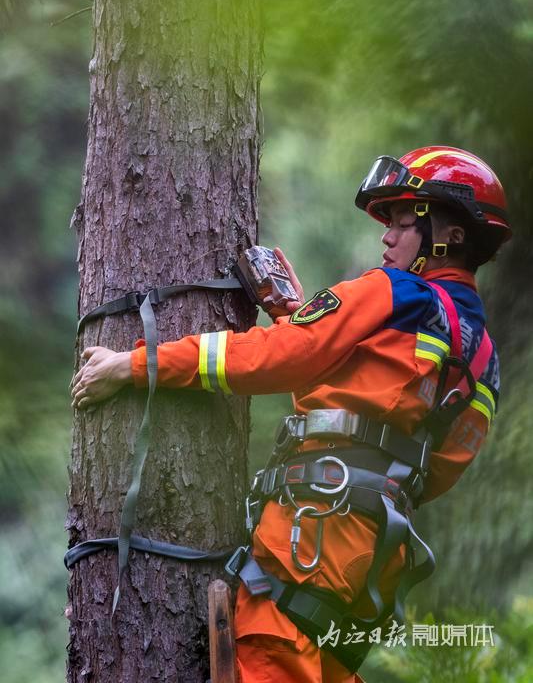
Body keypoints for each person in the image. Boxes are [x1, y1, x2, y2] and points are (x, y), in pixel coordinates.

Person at [71, 146, 510, 683]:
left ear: (451, 236)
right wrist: (295, 321)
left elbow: (275, 360)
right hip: (375, 559)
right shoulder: (483, 356)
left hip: (311, 536)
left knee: (272, 655)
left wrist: (139, 364)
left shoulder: (391, 291)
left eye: (401, 223)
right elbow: (433, 463)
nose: (386, 238)